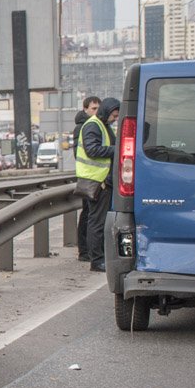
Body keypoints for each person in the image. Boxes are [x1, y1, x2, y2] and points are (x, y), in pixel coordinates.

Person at [77, 97, 119, 273]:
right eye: (114, 115)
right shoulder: (93, 125)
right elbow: (92, 150)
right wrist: (118, 149)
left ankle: (100, 257)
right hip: (96, 181)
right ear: (107, 111)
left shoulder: (104, 126)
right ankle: (96, 260)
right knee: (96, 223)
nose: (115, 119)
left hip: (102, 181)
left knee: (99, 222)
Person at [70, 96, 100, 261]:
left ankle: (87, 250)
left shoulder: (95, 126)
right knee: (88, 215)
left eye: (98, 108)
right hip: (88, 177)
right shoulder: (83, 128)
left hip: (94, 176)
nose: (96, 112)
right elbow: (80, 154)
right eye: (93, 108)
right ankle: (84, 251)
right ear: (85, 109)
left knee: (90, 214)